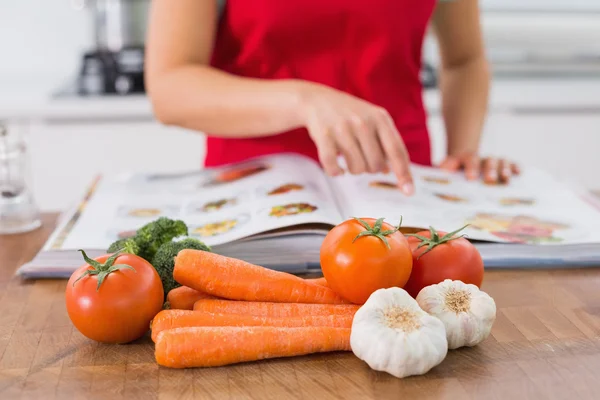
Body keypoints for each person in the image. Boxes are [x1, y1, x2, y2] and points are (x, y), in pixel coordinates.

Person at [145, 0, 519, 196]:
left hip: (399, 191)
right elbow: (170, 87)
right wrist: (303, 101)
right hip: (252, 195)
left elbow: (464, 60)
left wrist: (462, 153)